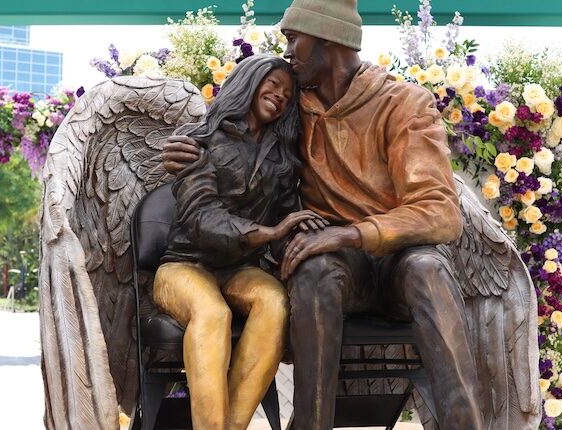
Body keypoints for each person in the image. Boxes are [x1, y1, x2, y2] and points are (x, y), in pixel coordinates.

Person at [162, 1, 483, 429]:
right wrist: (190, 142)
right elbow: (237, 126)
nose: (288, 50)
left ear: (327, 40)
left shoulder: (405, 103)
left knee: (428, 269)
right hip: (335, 266)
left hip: (399, 261)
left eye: (294, 39)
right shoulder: (294, 108)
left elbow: (441, 212)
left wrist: (348, 235)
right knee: (313, 270)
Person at [154, 54, 326, 430]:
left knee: (275, 301)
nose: (280, 96)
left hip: (240, 268)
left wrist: (306, 240)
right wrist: (269, 234)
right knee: (213, 313)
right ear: (249, 81)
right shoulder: (201, 138)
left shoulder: (283, 159)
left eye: (287, 93)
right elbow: (202, 219)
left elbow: (286, 219)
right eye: (273, 85)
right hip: (184, 264)